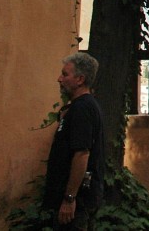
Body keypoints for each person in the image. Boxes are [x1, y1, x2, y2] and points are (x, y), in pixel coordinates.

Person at [43, 52, 105, 230]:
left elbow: (81, 154)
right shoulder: (79, 107)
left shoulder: (82, 109)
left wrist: (69, 199)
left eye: (65, 74)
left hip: (76, 204)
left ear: (80, 79)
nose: (59, 79)